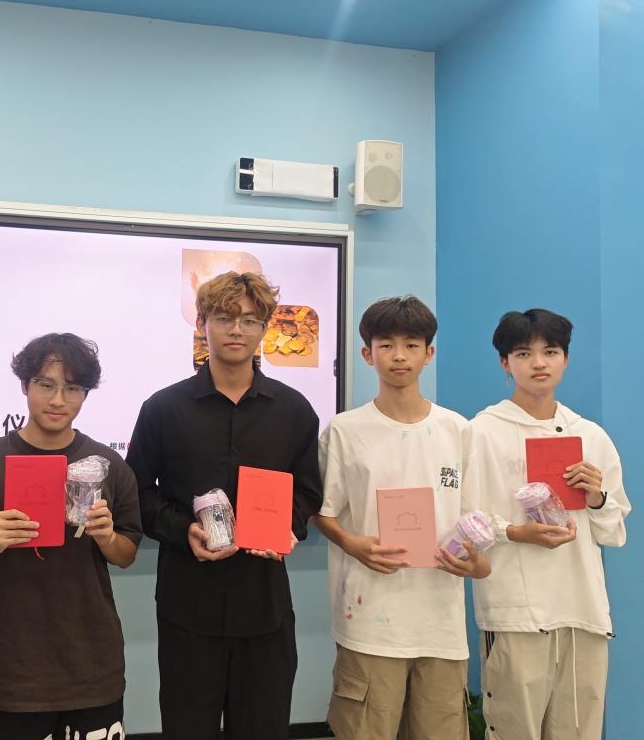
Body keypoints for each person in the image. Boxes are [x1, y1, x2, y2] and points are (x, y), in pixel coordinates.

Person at [126, 271, 322, 740]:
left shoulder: (294, 410)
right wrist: (182, 531)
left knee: (263, 729)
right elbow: (138, 494)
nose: (237, 330)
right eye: (224, 318)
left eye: (250, 320)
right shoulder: (163, 408)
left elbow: (307, 493)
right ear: (201, 324)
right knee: (187, 728)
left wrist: (285, 528)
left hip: (265, 608)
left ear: (265, 329)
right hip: (187, 606)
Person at [0, 333, 141, 740]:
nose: (58, 400)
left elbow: (127, 553)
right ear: (24, 385)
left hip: (92, 665)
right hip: (13, 670)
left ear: (86, 394)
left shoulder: (108, 466)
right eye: (45, 384)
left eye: (72, 388)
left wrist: (106, 537)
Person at [313, 295, 489, 740]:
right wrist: (352, 543)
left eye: (411, 345)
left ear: (429, 353)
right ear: (366, 354)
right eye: (386, 345)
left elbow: (474, 520)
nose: (399, 356)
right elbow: (322, 513)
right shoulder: (345, 430)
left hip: (440, 624)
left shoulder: (457, 429)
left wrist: (477, 563)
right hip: (369, 620)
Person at [467, 309, 630, 740]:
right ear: (505, 362)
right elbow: (466, 520)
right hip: (516, 614)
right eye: (524, 353)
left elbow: (614, 531)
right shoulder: (482, 432)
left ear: (566, 359)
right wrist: (515, 532)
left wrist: (596, 498)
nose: (539, 363)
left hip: (583, 611)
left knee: (580, 730)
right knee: (514, 730)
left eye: (551, 351)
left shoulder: (590, 435)